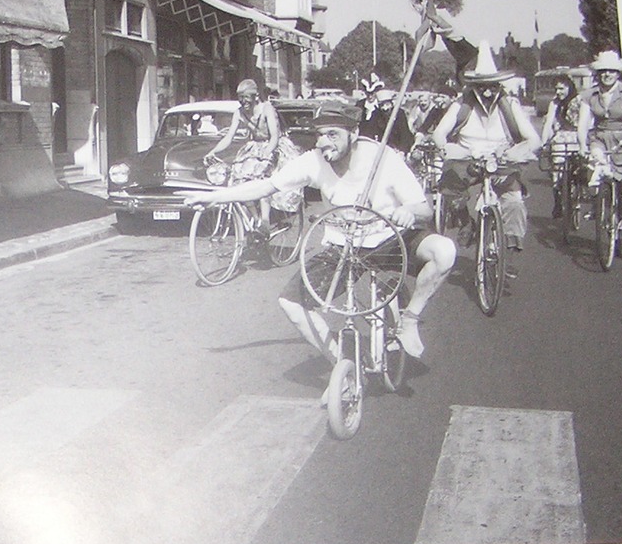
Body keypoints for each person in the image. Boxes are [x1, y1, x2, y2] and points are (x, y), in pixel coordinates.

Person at [185, 105, 455, 362]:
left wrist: (408, 210)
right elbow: (267, 187)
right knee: (290, 303)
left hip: (389, 240)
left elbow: (425, 209)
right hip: (342, 247)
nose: (324, 142)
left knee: (444, 252)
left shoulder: (383, 158)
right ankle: (341, 363)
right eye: (319, 134)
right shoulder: (313, 161)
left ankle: (409, 318)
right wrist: (215, 197)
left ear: (354, 133)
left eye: (333, 134)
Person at [426, 42, 541, 252]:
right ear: (474, 86)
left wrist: (515, 152)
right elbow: (439, 134)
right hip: (466, 162)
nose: (487, 92)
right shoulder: (461, 104)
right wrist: (449, 148)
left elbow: (533, 140)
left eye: (492, 86)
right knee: (453, 196)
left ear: (499, 85)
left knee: (514, 203)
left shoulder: (510, 105)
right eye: (482, 86)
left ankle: (507, 247)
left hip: (501, 163)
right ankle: (467, 226)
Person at [205, 78, 288, 232]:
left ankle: (265, 221)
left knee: (263, 180)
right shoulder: (239, 112)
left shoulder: (267, 109)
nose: (244, 102)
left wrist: (267, 153)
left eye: (246, 97)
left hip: (272, 146)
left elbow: (275, 136)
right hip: (254, 147)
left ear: (256, 96)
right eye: (241, 98)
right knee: (239, 182)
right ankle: (255, 220)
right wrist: (214, 151)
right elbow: (228, 137)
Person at [579, 50, 622, 250]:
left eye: (611, 71)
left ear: (617, 73)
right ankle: (599, 203)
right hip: (600, 138)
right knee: (597, 167)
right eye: (603, 71)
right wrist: (582, 145)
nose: (607, 75)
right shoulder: (590, 95)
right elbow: (583, 123)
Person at [538, 77, 587, 219]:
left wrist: (582, 142)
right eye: (557, 89)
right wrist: (543, 142)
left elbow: (583, 124)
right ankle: (558, 199)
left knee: (580, 167)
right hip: (561, 136)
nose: (559, 92)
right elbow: (548, 124)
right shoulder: (555, 103)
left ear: (570, 87)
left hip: (578, 135)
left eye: (562, 88)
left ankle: (578, 190)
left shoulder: (580, 101)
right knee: (556, 169)